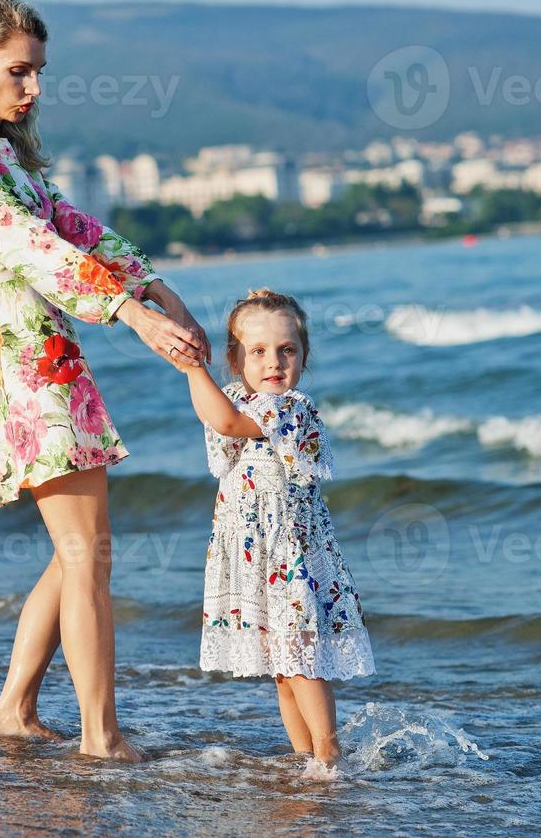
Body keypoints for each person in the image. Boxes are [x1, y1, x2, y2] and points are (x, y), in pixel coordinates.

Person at [0, 0, 211, 762]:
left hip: (46, 362)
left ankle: (14, 710)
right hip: (25, 371)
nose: (34, 87)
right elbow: (28, 248)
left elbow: (77, 230)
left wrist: (158, 291)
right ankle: (99, 736)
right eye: (19, 70)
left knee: (76, 550)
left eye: (39, 71)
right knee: (87, 554)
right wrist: (135, 315)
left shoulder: (3, 153)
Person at [170, 288, 375, 769]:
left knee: (299, 656)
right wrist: (198, 368)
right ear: (235, 359)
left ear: (304, 357)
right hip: (254, 553)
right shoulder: (241, 399)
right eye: (258, 351)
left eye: (288, 350)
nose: (274, 362)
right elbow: (219, 419)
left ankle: (329, 754)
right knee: (281, 670)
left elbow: (224, 420)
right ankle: (305, 758)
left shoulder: (289, 408)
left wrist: (190, 366)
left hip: (292, 556)